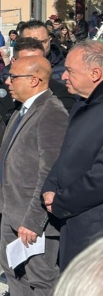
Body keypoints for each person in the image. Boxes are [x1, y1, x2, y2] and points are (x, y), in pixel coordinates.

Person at [0, 56, 66, 296]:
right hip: (11, 209)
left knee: (41, 278)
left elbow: (50, 172)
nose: (7, 82)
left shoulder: (52, 112)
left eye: (13, 77)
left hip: (31, 218)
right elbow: (12, 149)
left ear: (34, 80)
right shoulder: (23, 108)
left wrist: (33, 220)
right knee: (14, 271)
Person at [42, 40, 103, 269]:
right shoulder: (82, 102)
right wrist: (50, 185)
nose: (63, 77)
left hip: (94, 228)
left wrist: (61, 201)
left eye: (70, 71)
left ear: (95, 73)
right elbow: (67, 152)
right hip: (73, 220)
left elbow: (100, 176)